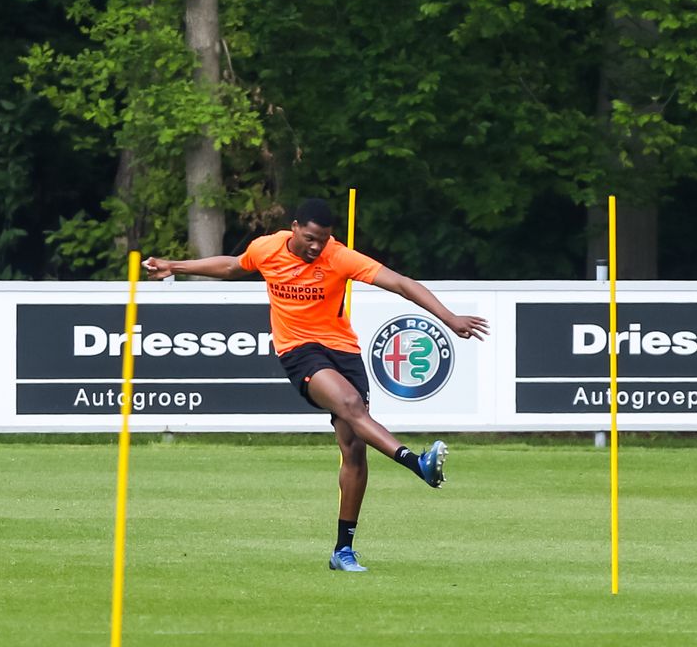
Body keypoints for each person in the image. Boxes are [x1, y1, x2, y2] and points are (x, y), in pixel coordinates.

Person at [142, 198, 488, 573]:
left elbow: (401, 284)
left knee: (354, 449)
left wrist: (449, 317)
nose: (315, 247)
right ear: (294, 228)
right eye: (309, 238)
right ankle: (416, 462)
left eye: (322, 240)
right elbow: (231, 265)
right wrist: (173, 266)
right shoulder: (267, 248)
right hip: (299, 351)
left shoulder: (338, 257)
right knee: (351, 405)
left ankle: (343, 550)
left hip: (344, 351)